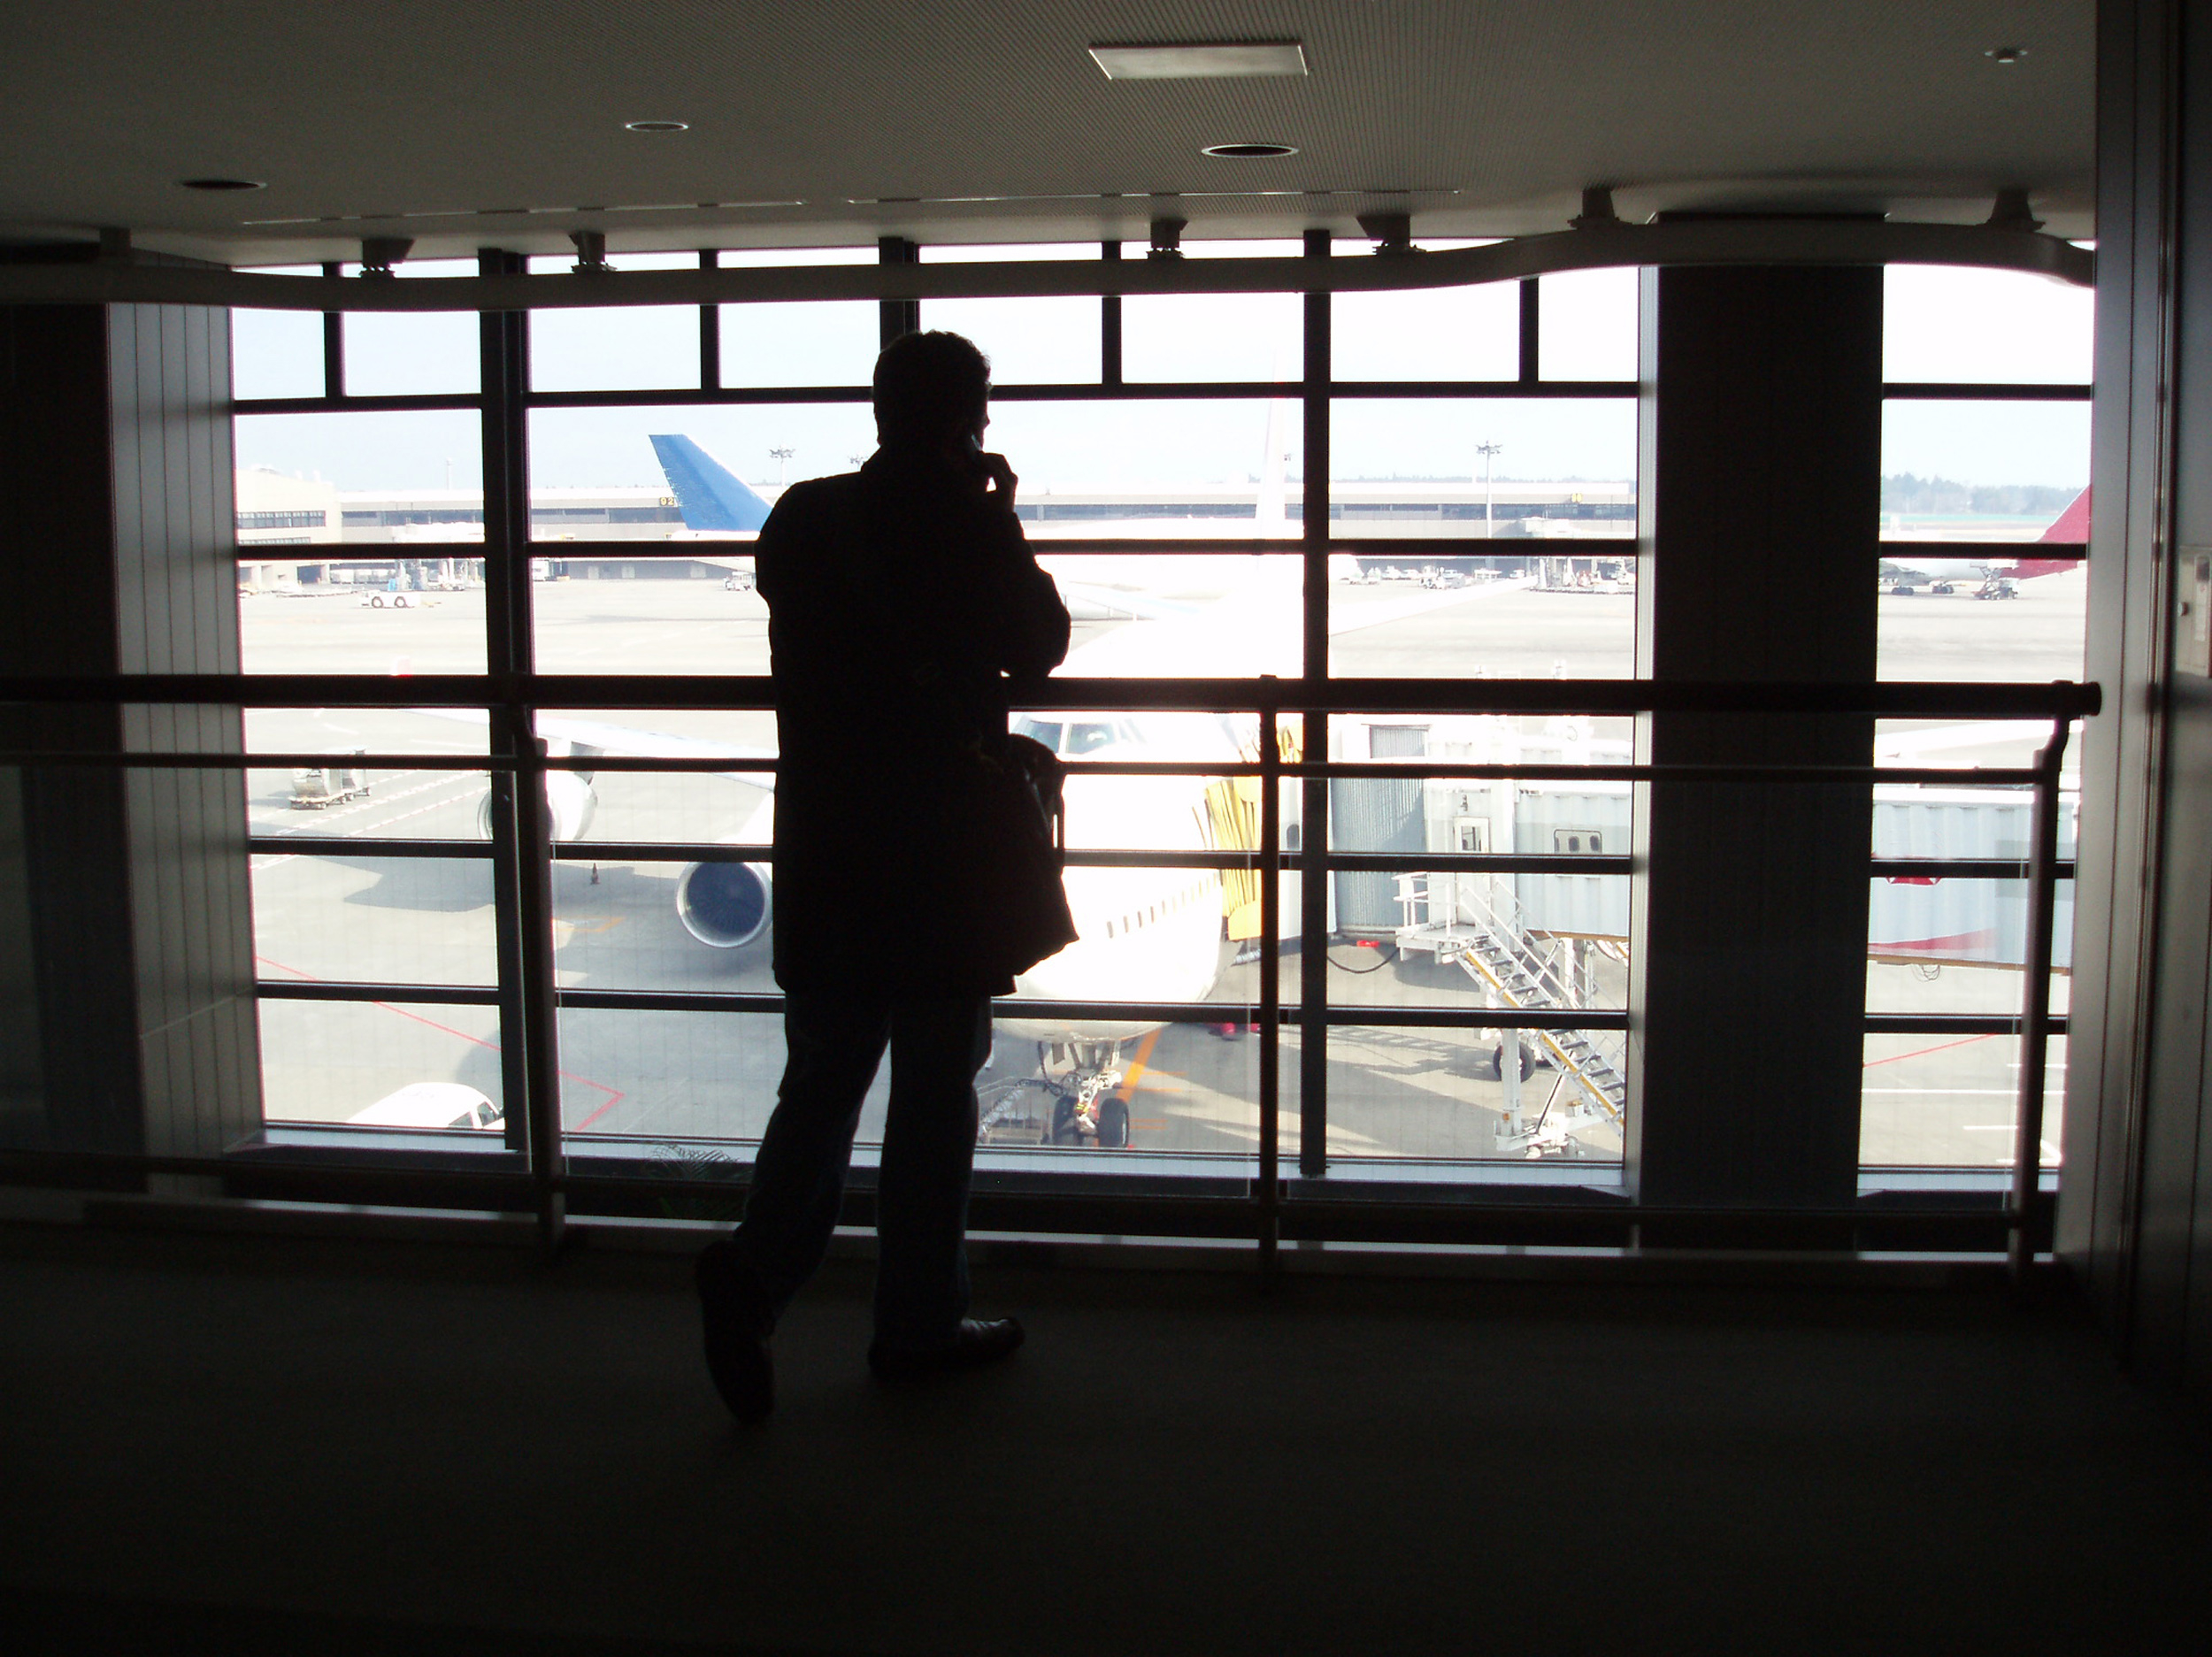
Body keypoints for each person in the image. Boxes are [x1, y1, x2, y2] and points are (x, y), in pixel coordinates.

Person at [695, 330, 1071, 1421]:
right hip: (939, 861)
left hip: (826, 842)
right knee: (929, 1102)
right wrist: (992, 509)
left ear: (874, 407)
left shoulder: (802, 518)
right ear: (971, 419)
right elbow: (1038, 641)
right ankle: (913, 1324)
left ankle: (758, 1275)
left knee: (820, 1083)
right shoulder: (964, 519)